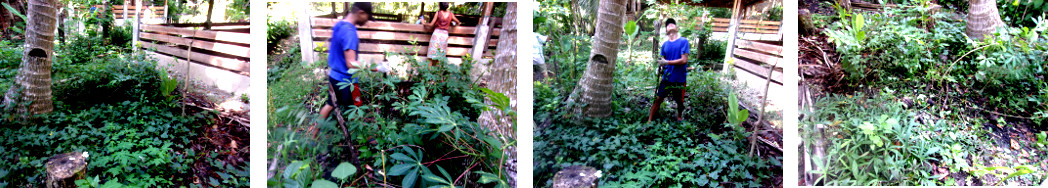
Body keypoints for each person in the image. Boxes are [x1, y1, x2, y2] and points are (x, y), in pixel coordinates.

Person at [319, 2, 390, 120]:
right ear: (361, 13)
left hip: (334, 76)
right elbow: (350, 63)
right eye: (367, 16)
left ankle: (314, 135)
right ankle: (364, 136)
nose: (367, 21)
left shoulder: (339, 25)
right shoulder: (350, 33)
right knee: (356, 109)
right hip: (348, 82)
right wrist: (377, 67)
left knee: (330, 104)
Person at [648, 18, 690, 123]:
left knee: (679, 101)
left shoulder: (683, 41)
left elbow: (684, 60)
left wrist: (667, 63)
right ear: (666, 31)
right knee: (658, 99)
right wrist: (660, 68)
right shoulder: (665, 45)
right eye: (668, 25)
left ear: (677, 28)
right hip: (667, 77)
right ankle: (649, 121)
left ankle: (679, 116)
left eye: (673, 24)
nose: (670, 25)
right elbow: (663, 60)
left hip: (679, 78)